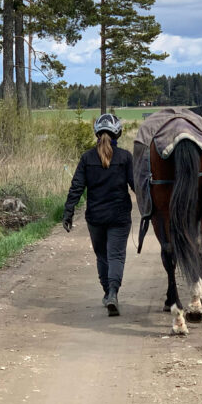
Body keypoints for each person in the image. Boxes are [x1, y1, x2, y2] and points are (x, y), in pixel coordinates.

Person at [62, 114, 134, 316]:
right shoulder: (126, 157)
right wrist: (151, 209)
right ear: (118, 132)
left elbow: (76, 187)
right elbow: (137, 186)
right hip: (120, 217)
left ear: (96, 133)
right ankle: (113, 292)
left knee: (102, 256)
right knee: (117, 255)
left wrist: (68, 212)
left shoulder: (87, 158)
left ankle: (107, 292)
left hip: (96, 217)